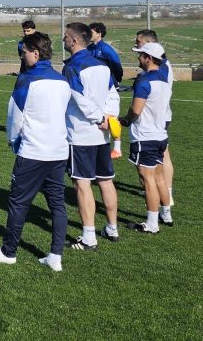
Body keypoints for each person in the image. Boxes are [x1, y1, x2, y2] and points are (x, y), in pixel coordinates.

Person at [0, 32, 70, 272]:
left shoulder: (26, 80)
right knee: (57, 204)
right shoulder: (63, 80)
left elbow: (15, 117)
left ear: (36, 54)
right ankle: (55, 256)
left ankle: (8, 252)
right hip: (59, 152)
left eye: (24, 52)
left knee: (18, 202)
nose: (22, 56)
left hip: (33, 152)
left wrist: (13, 141)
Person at [62, 23, 120, 250]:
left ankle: (88, 237)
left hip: (81, 135)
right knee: (106, 181)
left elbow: (79, 98)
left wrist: (99, 117)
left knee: (82, 184)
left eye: (66, 37)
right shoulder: (101, 66)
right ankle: (112, 228)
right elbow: (113, 94)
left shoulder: (72, 67)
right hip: (102, 135)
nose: (64, 40)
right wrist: (109, 116)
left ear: (74, 40)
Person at [122, 41, 173, 234]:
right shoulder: (163, 79)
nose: (139, 58)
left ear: (149, 59)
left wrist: (125, 120)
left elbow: (136, 110)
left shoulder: (144, 81)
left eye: (141, 55)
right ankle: (166, 214)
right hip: (160, 135)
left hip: (145, 136)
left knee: (147, 179)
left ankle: (152, 224)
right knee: (159, 177)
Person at [134, 29, 175, 206]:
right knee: (160, 158)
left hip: (157, 117)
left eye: (139, 42)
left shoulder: (161, 67)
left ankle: (165, 194)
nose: (136, 45)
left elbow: (155, 88)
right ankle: (161, 195)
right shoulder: (161, 65)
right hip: (158, 115)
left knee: (161, 159)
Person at [88, 22, 125, 159]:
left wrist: (115, 81)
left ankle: (117, 148)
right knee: (100, 114)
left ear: (99, 34)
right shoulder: (89, 48)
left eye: (91, 32)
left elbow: (117, 67)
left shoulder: (106, 49)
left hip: (109, 85)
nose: (88, 34)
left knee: (111, 115)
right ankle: (100, 143)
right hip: (95, 86)